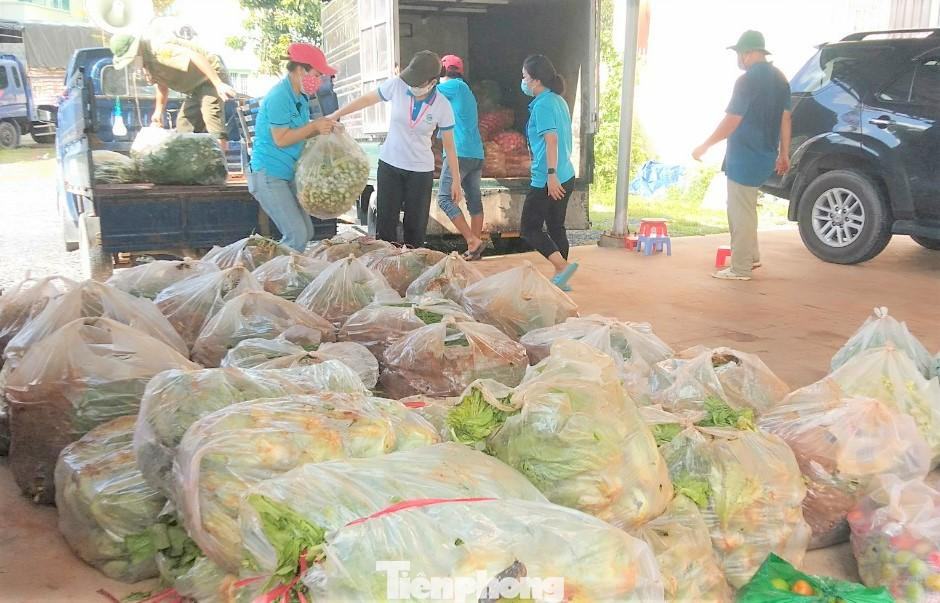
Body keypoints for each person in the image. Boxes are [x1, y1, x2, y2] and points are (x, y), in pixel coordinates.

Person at [327, 51, 463, 248]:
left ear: (433, 82)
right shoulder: (397, 85)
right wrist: (336, 114)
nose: (412, 85)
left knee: (415, 227)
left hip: (420, 171)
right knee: (386, 224)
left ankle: (412, 267)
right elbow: (366, 100)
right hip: (390, 164)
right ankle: (385, 268)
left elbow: (450, 146)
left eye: (417, 83)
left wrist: (455, 181)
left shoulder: (442, 106)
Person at [693, 30, 791, 281]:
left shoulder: (746, 81)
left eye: (738, 53)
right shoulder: (781, 79)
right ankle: (752, 256)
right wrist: (784, 153)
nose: (737, 59)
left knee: (740, 211)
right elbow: (786, 118)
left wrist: (705, 144)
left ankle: (740, 267)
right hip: (765, 155)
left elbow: (732, 119)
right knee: (746, 208)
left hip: (745, 155)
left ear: (747, 53)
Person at [246, 43, 340, 252]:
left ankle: (286, 274)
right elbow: (281, 139)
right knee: (296, 235)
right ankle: (274, 277)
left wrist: (324, 128)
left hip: (287, 173)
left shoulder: (300, 97)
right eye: (317, 75)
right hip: (269, 175)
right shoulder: (279, 96)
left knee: (306, 232)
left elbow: (301, 131)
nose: (319, 80)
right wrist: (314, 126)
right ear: (300, 69)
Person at [109, 29, 238, 147]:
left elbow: (195, 57)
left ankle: (220, 169)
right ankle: (195, 168)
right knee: (184, 127)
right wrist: (158, 112)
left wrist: (218, 83)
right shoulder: (148, 63)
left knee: (213, 125)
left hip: (210, 77)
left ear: (136, 51)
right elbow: (162, 85)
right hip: (194, 87)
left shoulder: (159, 50)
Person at [519, 54, 578, 292]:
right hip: (566, 174)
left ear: (535, 80)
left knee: (529, 228)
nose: (522, 82)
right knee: (555, 226)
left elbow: (551, 139)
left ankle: (562, 267)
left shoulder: (543, 103)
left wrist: (550, 175)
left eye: (524, 77)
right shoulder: (558, 100)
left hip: (548, 178)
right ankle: (561, 278)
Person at [437, 54, 486, 259]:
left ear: (442, 72)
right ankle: (475, 247)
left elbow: (425, 91)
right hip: (476, 153)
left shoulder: (453, 86)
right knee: (474, 200)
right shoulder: (464, 89)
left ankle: (472, 240)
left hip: (460, 153)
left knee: (444, 198)